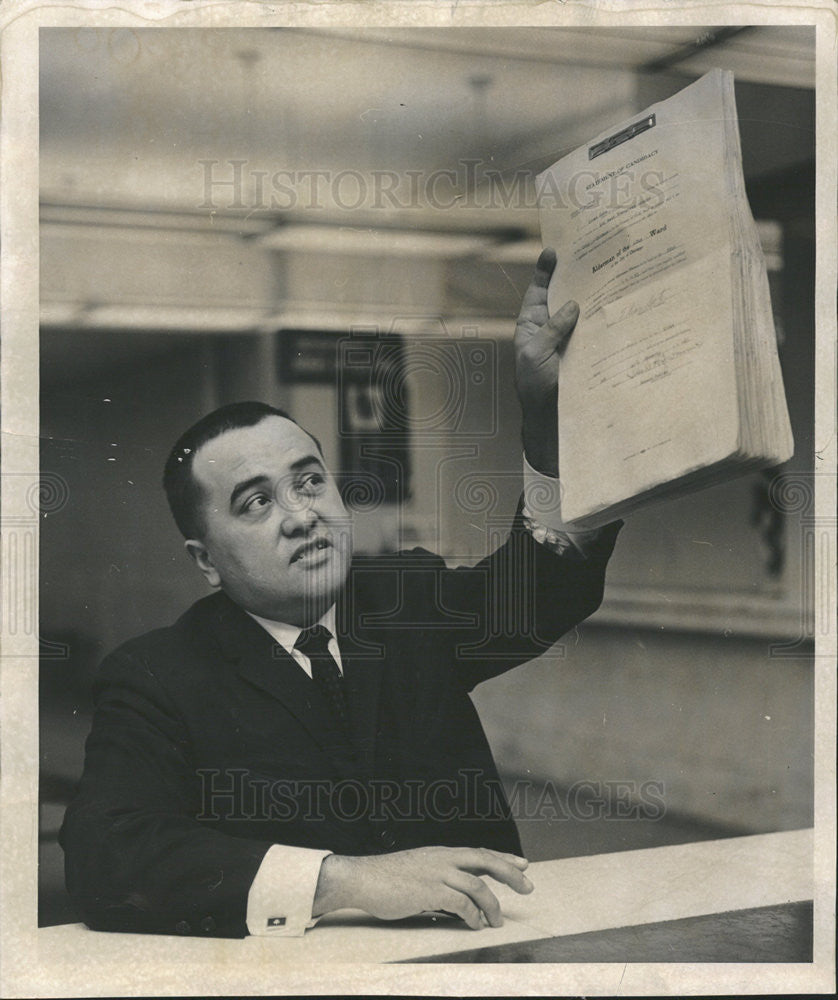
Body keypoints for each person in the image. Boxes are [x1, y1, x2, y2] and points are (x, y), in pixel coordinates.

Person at [60, 249, 622, 938]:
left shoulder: (405, 598)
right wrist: (343, 879)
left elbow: (545, 585)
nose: (300, 514)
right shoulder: (156, 677)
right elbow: (105, 858)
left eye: (308, 480)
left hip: (477, 952)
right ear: (205, 561)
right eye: (255, 503)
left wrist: (548, 416)